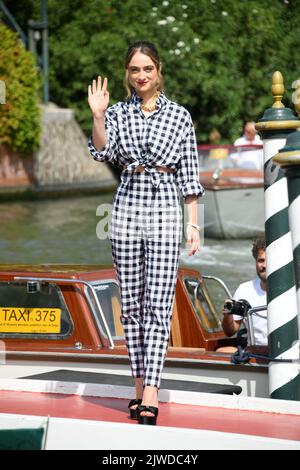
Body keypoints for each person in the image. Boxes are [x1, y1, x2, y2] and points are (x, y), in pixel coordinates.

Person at [87, 41, 204, 425]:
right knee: (133, 308)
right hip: (125, 210)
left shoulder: (180, 116)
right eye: (135, 70)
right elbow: (102, 153)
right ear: (128, 73)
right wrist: (99, 116)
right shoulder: (118, 112)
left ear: (159, 70)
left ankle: (151, 390)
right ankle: (138, 387)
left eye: (147, 69)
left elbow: (190, 175)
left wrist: (193, 223)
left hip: (165, 212)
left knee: (157, 305)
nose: (141, 77)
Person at [221, 238, 267, 349]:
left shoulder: (294, 290)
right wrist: (227, 314)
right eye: (261, 260)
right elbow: (230, 332)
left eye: (269, 260)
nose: (264, 265)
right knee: (221, 351)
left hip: (287, 354)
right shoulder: (244, 289)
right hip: (254, 353)